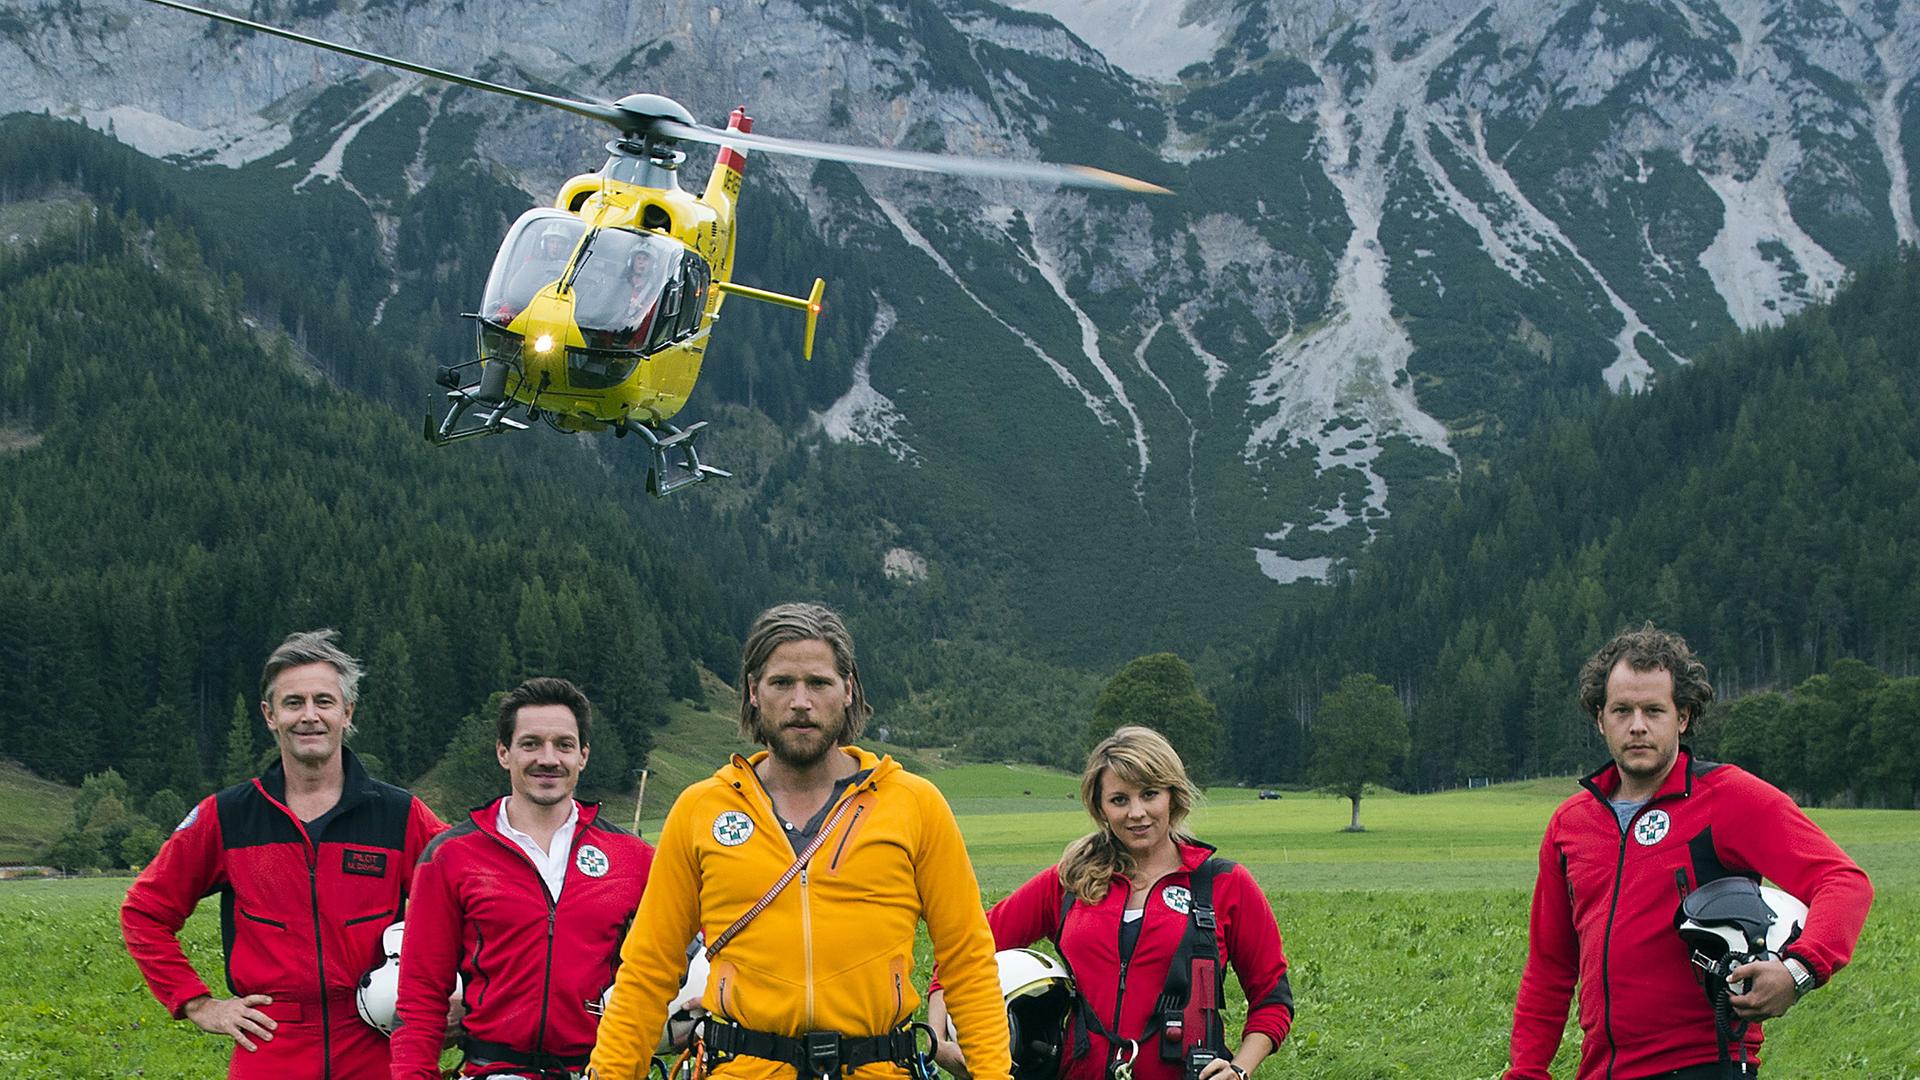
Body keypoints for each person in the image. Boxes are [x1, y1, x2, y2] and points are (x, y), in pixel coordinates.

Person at [585, 602, 1013, 1080]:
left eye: (819, 683)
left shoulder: (914, 804)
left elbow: (967, 961)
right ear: (753, 691)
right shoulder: (700, 809)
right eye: (782, 683)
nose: (801, 701)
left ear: (848, 689)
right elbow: (648, 969)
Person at [1506, 623, 1875, 1080]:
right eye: (1621, 710)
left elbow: (1843, 882)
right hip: (1602, 1070)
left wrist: (1799, 971)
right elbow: (1550, 967)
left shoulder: (1728, 798)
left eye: (1653, 710)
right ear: (1600, 718)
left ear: (1682, 716)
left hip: (1704, 1063)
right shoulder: (1570, 825)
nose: (1637, 725)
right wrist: (1526, 1071)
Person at [121, 629, 447, 1080]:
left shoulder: (399, 815)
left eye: (324, 701)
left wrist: (458, 996)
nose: (309, 716)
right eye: (293, 703)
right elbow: (144, 912)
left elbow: (469, 903)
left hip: (377, 1041)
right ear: (270, 715)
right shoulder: (227, 816)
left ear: (347, 712)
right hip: (272, 1043)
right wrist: (196, 1003)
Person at [928, 726, 1292, 1080]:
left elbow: (1272, 1000)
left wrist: (1239, 1070)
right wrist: (939, 1037)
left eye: (1149, 794)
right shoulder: (1069, 880)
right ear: (1100, 807)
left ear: (1173, 795)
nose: (1136, 812)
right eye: (1119, 799)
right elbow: (965, 946)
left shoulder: (1223, 884)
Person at [390, 677, 655, 1080]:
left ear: (583, 755)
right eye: (530, 744)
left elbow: (685, 951)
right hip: (493, 1070)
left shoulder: (632, 857)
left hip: (600, 1069)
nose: (548, 759)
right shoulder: (451, 856)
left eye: (564, 745)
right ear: (504, 752)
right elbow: (420, 997)